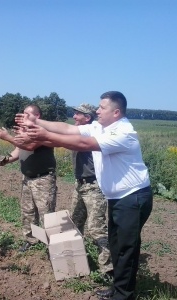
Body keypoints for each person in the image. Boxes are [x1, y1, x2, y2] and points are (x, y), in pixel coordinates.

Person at [15, 91, 153, 300]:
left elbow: (82, 144)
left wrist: (44, 136)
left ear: (116, 112)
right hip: (118, 197)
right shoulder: (101, 127)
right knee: (117, 245)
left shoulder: (123, 133)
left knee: (126, 247)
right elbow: (69, 129)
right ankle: (118, 288)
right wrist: (37, 120)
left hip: (132, 197)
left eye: (102, 108)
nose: (97, 111)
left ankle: (124, 295)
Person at [0, 104, 57, 252]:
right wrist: (4, 160)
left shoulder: (41, 131)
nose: (23, 116)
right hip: (27, 178)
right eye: (23, 113)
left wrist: (7, 137)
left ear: (37, 116)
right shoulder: (24, 131)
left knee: (46, 213)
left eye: (27, 114)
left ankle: (52, 246)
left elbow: (30, 146)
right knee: (27, 212)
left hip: (43, 179)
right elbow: (18, 150)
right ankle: (30, 239)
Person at [70, 103, 113, 275]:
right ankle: (77, 260)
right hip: (79, 184)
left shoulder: (92, 133)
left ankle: (108, 269)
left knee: (96, 229)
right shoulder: (80, 131)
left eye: (78, 114)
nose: (74, 116)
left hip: (94, 187)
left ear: (87, 118)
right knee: (74, 223)